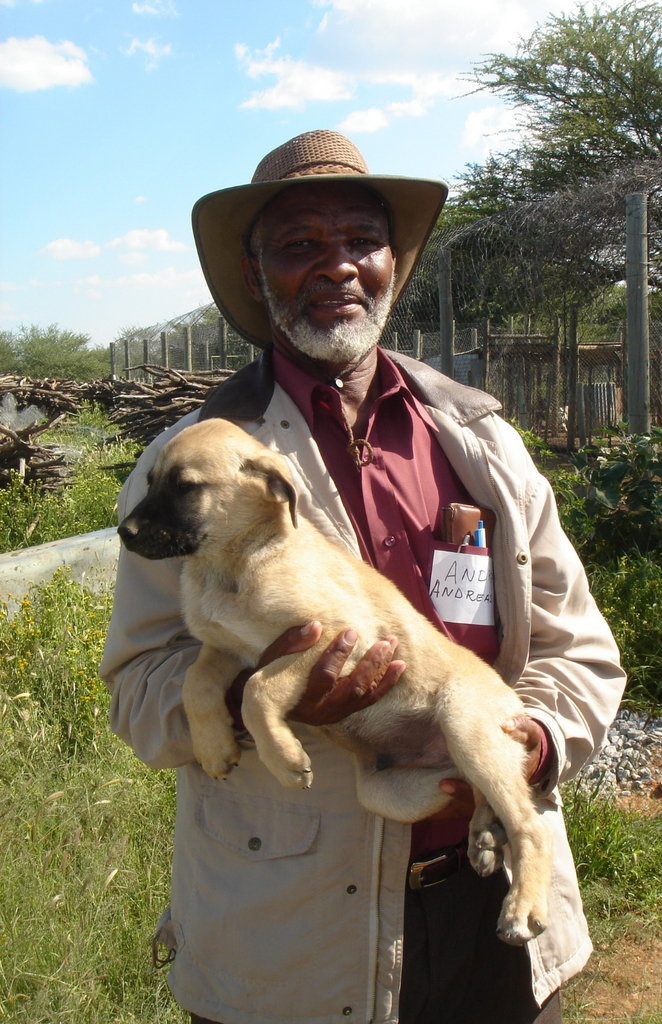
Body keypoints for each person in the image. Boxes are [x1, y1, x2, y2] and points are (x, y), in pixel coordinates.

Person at [101, 129, 625, 1024]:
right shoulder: (190, 470)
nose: (337, 266)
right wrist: (250, 704)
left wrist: (527, 745)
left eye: (360, 241)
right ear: (255, 268)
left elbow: (580, 651)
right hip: (290, 934)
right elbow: (137, 686)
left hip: (484, 909)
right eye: (301, 244)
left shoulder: (483, 444)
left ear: (393, 263)